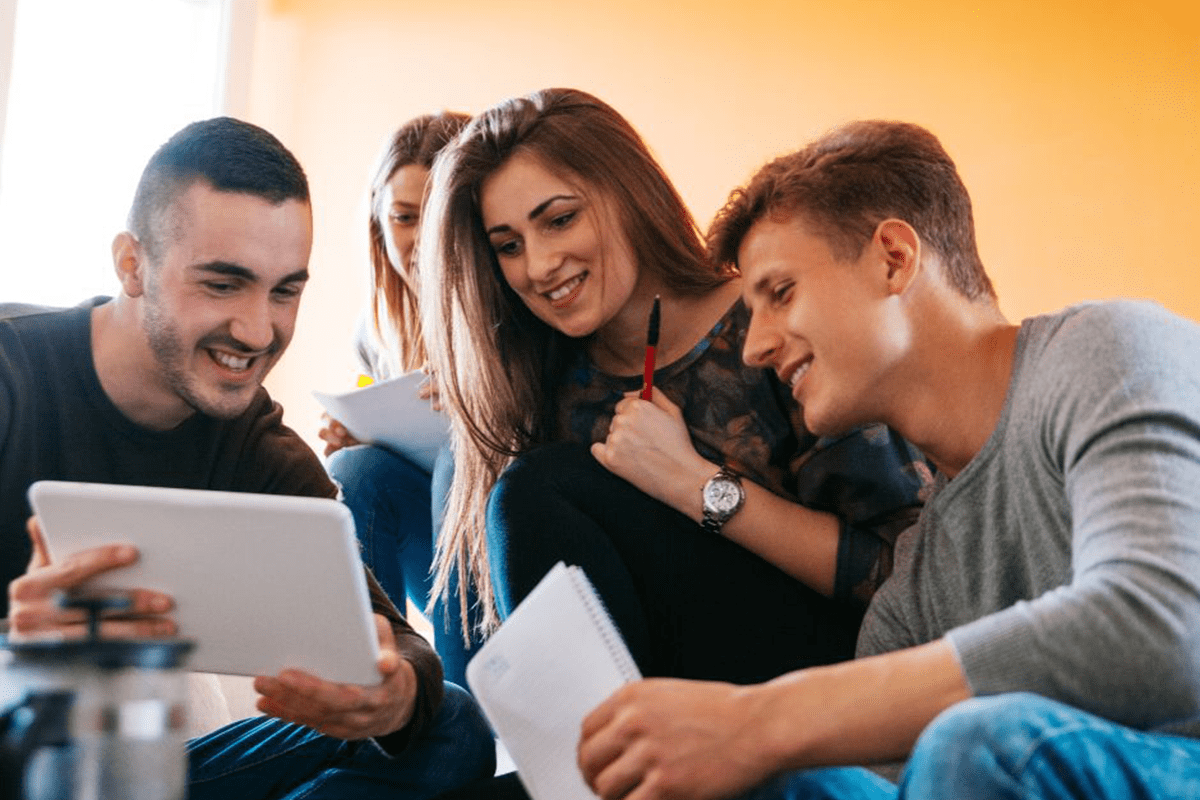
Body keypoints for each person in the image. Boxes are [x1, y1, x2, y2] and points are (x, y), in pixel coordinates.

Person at [573, 120, 1200, 800]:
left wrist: (759, 718)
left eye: (780, 293)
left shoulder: (1107, 352)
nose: (753, 346)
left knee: (975, 745)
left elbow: (1164, 628)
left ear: (894, 258)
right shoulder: (915, 588)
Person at [1, 117, 494, 800]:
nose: (259, 331)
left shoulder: (253, 444)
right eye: (223, 284)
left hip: (151, 777)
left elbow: (392, 638)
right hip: (24, 755)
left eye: (285, 290)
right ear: (131, 264)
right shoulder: (11, 376)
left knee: (450, 722)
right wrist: (11, 654)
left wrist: (393, 693)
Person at [418, 88, 932, 686]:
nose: (538, 265)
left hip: (832, 677)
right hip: (659, 705)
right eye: (509, 246)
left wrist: (698, 487)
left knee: (533, 489)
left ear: (629, 195)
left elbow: (906, 576)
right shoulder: (545, 384)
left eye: (560, 220)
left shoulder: (773, 323)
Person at [316, 111, 479, 688]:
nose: (422, 239)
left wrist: (481, 407)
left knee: (463, 460)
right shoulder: (378, 331)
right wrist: (361, 433)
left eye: (440, 216)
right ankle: (379, 686)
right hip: (435, 555)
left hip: (511, 556)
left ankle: (469, 710)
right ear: (379, 225)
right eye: (405, 218)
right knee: (353, 468)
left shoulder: (521, 306)